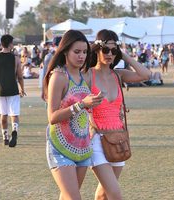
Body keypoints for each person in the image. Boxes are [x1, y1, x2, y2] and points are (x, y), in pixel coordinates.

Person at [82, 29, 151, 200]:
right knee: (115, 194)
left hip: (119, 139)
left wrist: (123, 55)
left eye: (114, 51)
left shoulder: (118, 75)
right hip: (96, 140)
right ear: (97, 50)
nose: (109, 54)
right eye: (105, 50)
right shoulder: (88, 75)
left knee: (103, 194)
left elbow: (146, 74)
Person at [43, 30, 104, 200]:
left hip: (82, 146)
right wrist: (82, 104)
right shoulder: (59, 76)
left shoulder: (85, 75)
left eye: (84, 52)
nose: (81, 56)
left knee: (68, 197)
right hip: (60, 147)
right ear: (65, 52)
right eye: (76, 52)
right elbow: (52, 117)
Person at [0, 34, 25, 147]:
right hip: (13, 89)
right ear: (9, 44)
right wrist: (22, 89)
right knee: (14, 114)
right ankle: (15, 131)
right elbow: (20, 76)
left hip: (0, 90)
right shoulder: (15, 58)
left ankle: (5, 137)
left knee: (3, 114)